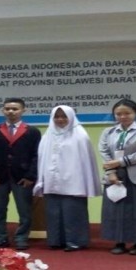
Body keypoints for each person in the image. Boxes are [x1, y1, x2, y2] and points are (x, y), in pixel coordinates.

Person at [34, 105, 101, 252]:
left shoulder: (80, 135)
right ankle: (55, 241)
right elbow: (42, 159)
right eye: (57, 117)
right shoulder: (48, 135)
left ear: (71, 117)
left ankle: (75, 241)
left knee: (73, 212)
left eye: (64, 116)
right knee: (53, 213)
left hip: (74, 181)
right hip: (51, 180)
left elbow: (85, 161)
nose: (60, 119)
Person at [98, 99, 136, 256]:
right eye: (118, 114)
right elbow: (104, 152)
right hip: (114, 174)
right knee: (115, 209)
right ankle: (119, 241)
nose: (123, 116)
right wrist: (111, 172)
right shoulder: (108, 132)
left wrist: (121, 161)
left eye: (127, 113)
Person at [0, 97, 42, 250]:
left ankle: (21, 238)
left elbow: (36, 156)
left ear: (23, 110)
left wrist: (30, 176)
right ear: (3, 110)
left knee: (24, 210)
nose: (11, 111)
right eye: (7, 109)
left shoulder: (32, 131)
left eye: (15, 109)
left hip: (22, 177)